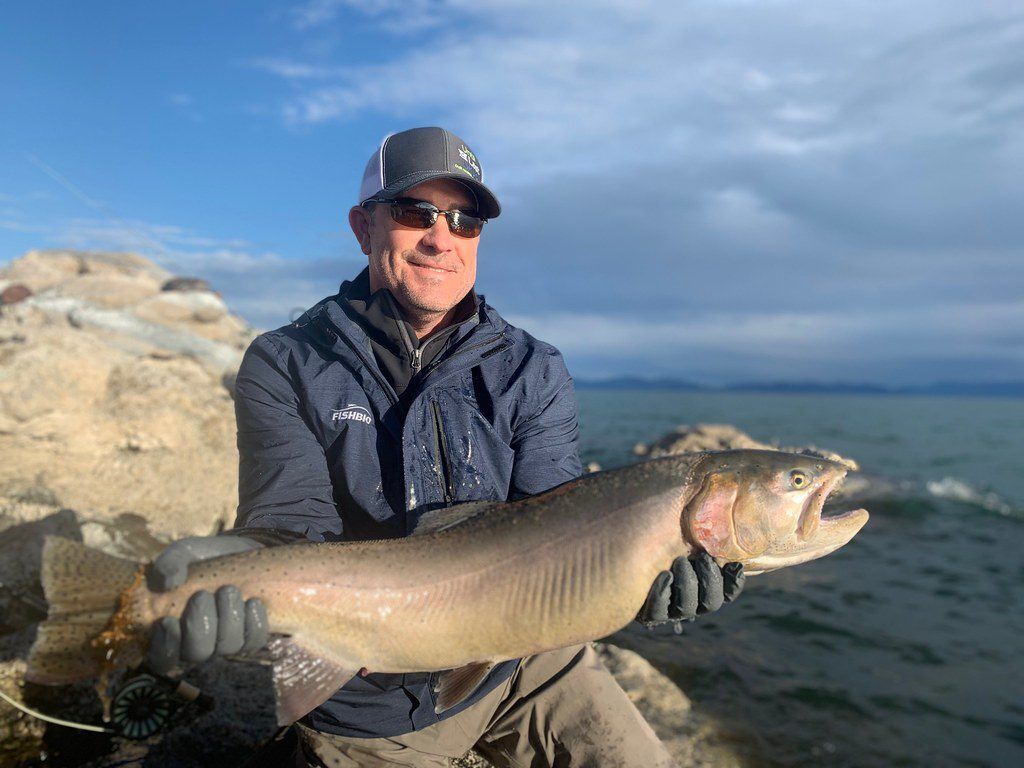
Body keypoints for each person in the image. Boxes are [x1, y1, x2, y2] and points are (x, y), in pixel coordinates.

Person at [146, 127, 745, 767]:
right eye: (415, 213)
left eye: (465, 221)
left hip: (528, 663)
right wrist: (226, 572)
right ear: (363, 227)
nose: (442, 238)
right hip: (368, 696)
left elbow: (559, 518)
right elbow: (291, 528)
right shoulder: (285, 362)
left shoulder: (532, 367)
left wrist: (638, 579)